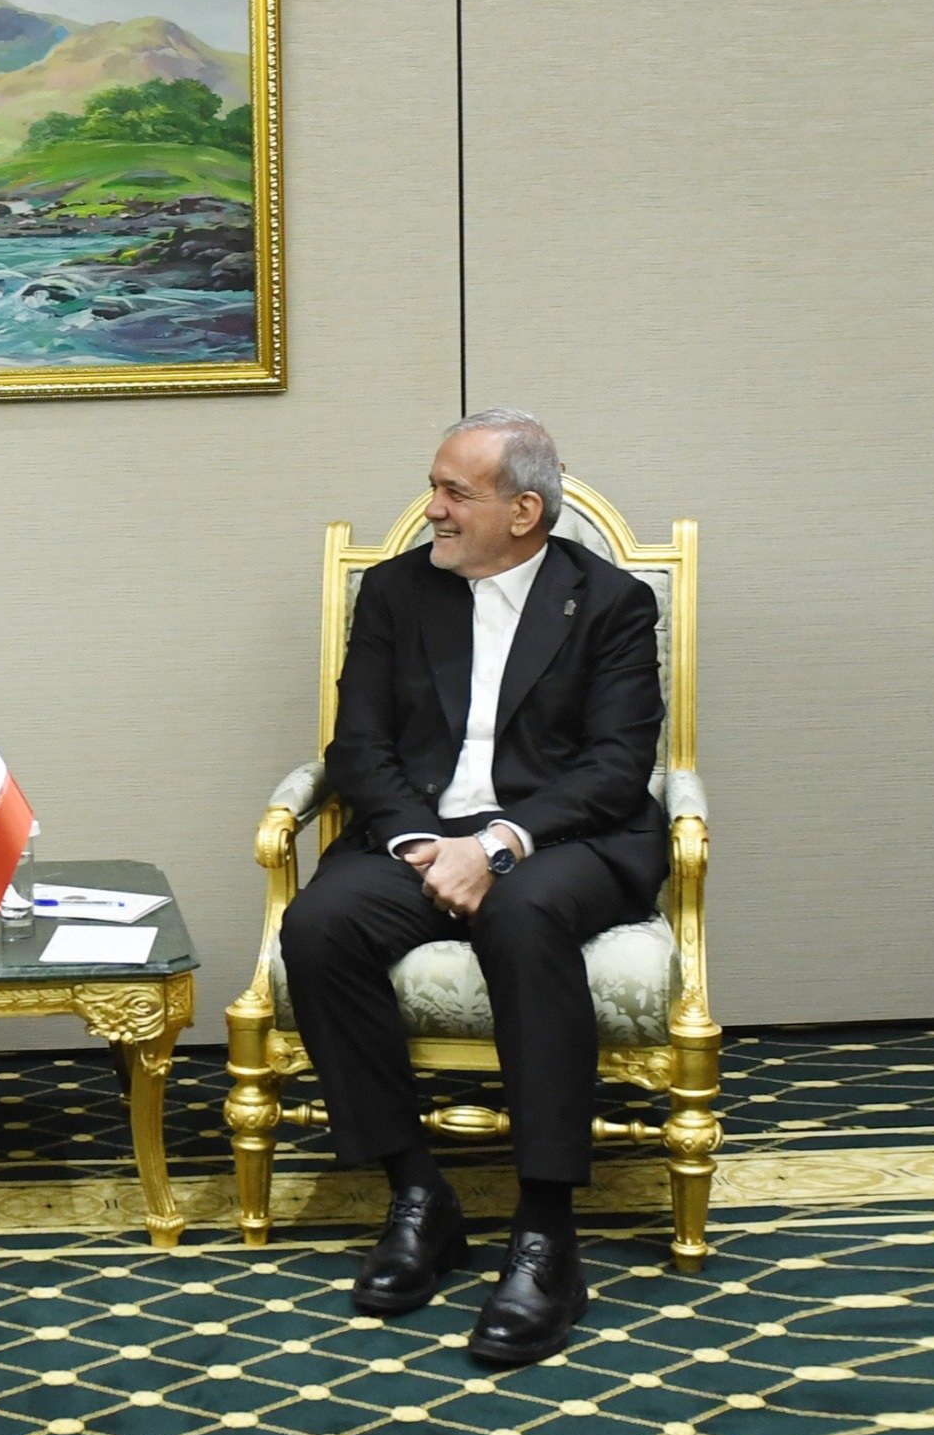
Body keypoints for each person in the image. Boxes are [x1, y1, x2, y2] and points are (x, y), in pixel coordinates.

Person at [281, 410, 666, 1366]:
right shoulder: (394, 593)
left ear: (523, 511)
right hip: (417, 833)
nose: (432, 510)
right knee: (319, 925)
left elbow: (616, 767)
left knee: (523, 916)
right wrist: (422, 842)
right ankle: (418, 1193)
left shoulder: (609, 603)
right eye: (433, 487)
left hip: (560, 838)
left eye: (454, 493)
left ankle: (546, 1234)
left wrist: (495, 845)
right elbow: (357, 747)